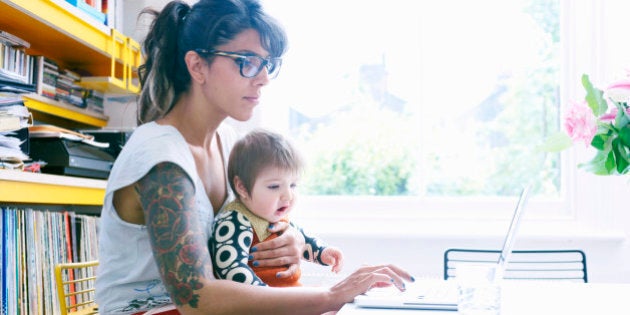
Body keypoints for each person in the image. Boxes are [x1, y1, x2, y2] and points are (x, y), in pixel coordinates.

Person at [95, 0, 414, 314]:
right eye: (246, 60)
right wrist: (330, 295)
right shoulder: (162, 158)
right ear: (197, 66)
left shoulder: (228, 142)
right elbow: (196, 300)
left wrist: (284, 237)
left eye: (268, 64)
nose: (263, 78)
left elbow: (246, 223)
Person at [210, 129, 343, 287]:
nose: (288, 195)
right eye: (274, 186)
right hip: (259, 303)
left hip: (287, 296)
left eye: (293, 185)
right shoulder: (236, 220)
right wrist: (264, 293)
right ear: (242, 187)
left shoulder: (276, 217)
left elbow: (304, 241)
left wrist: (323, 252)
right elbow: (229, 268)